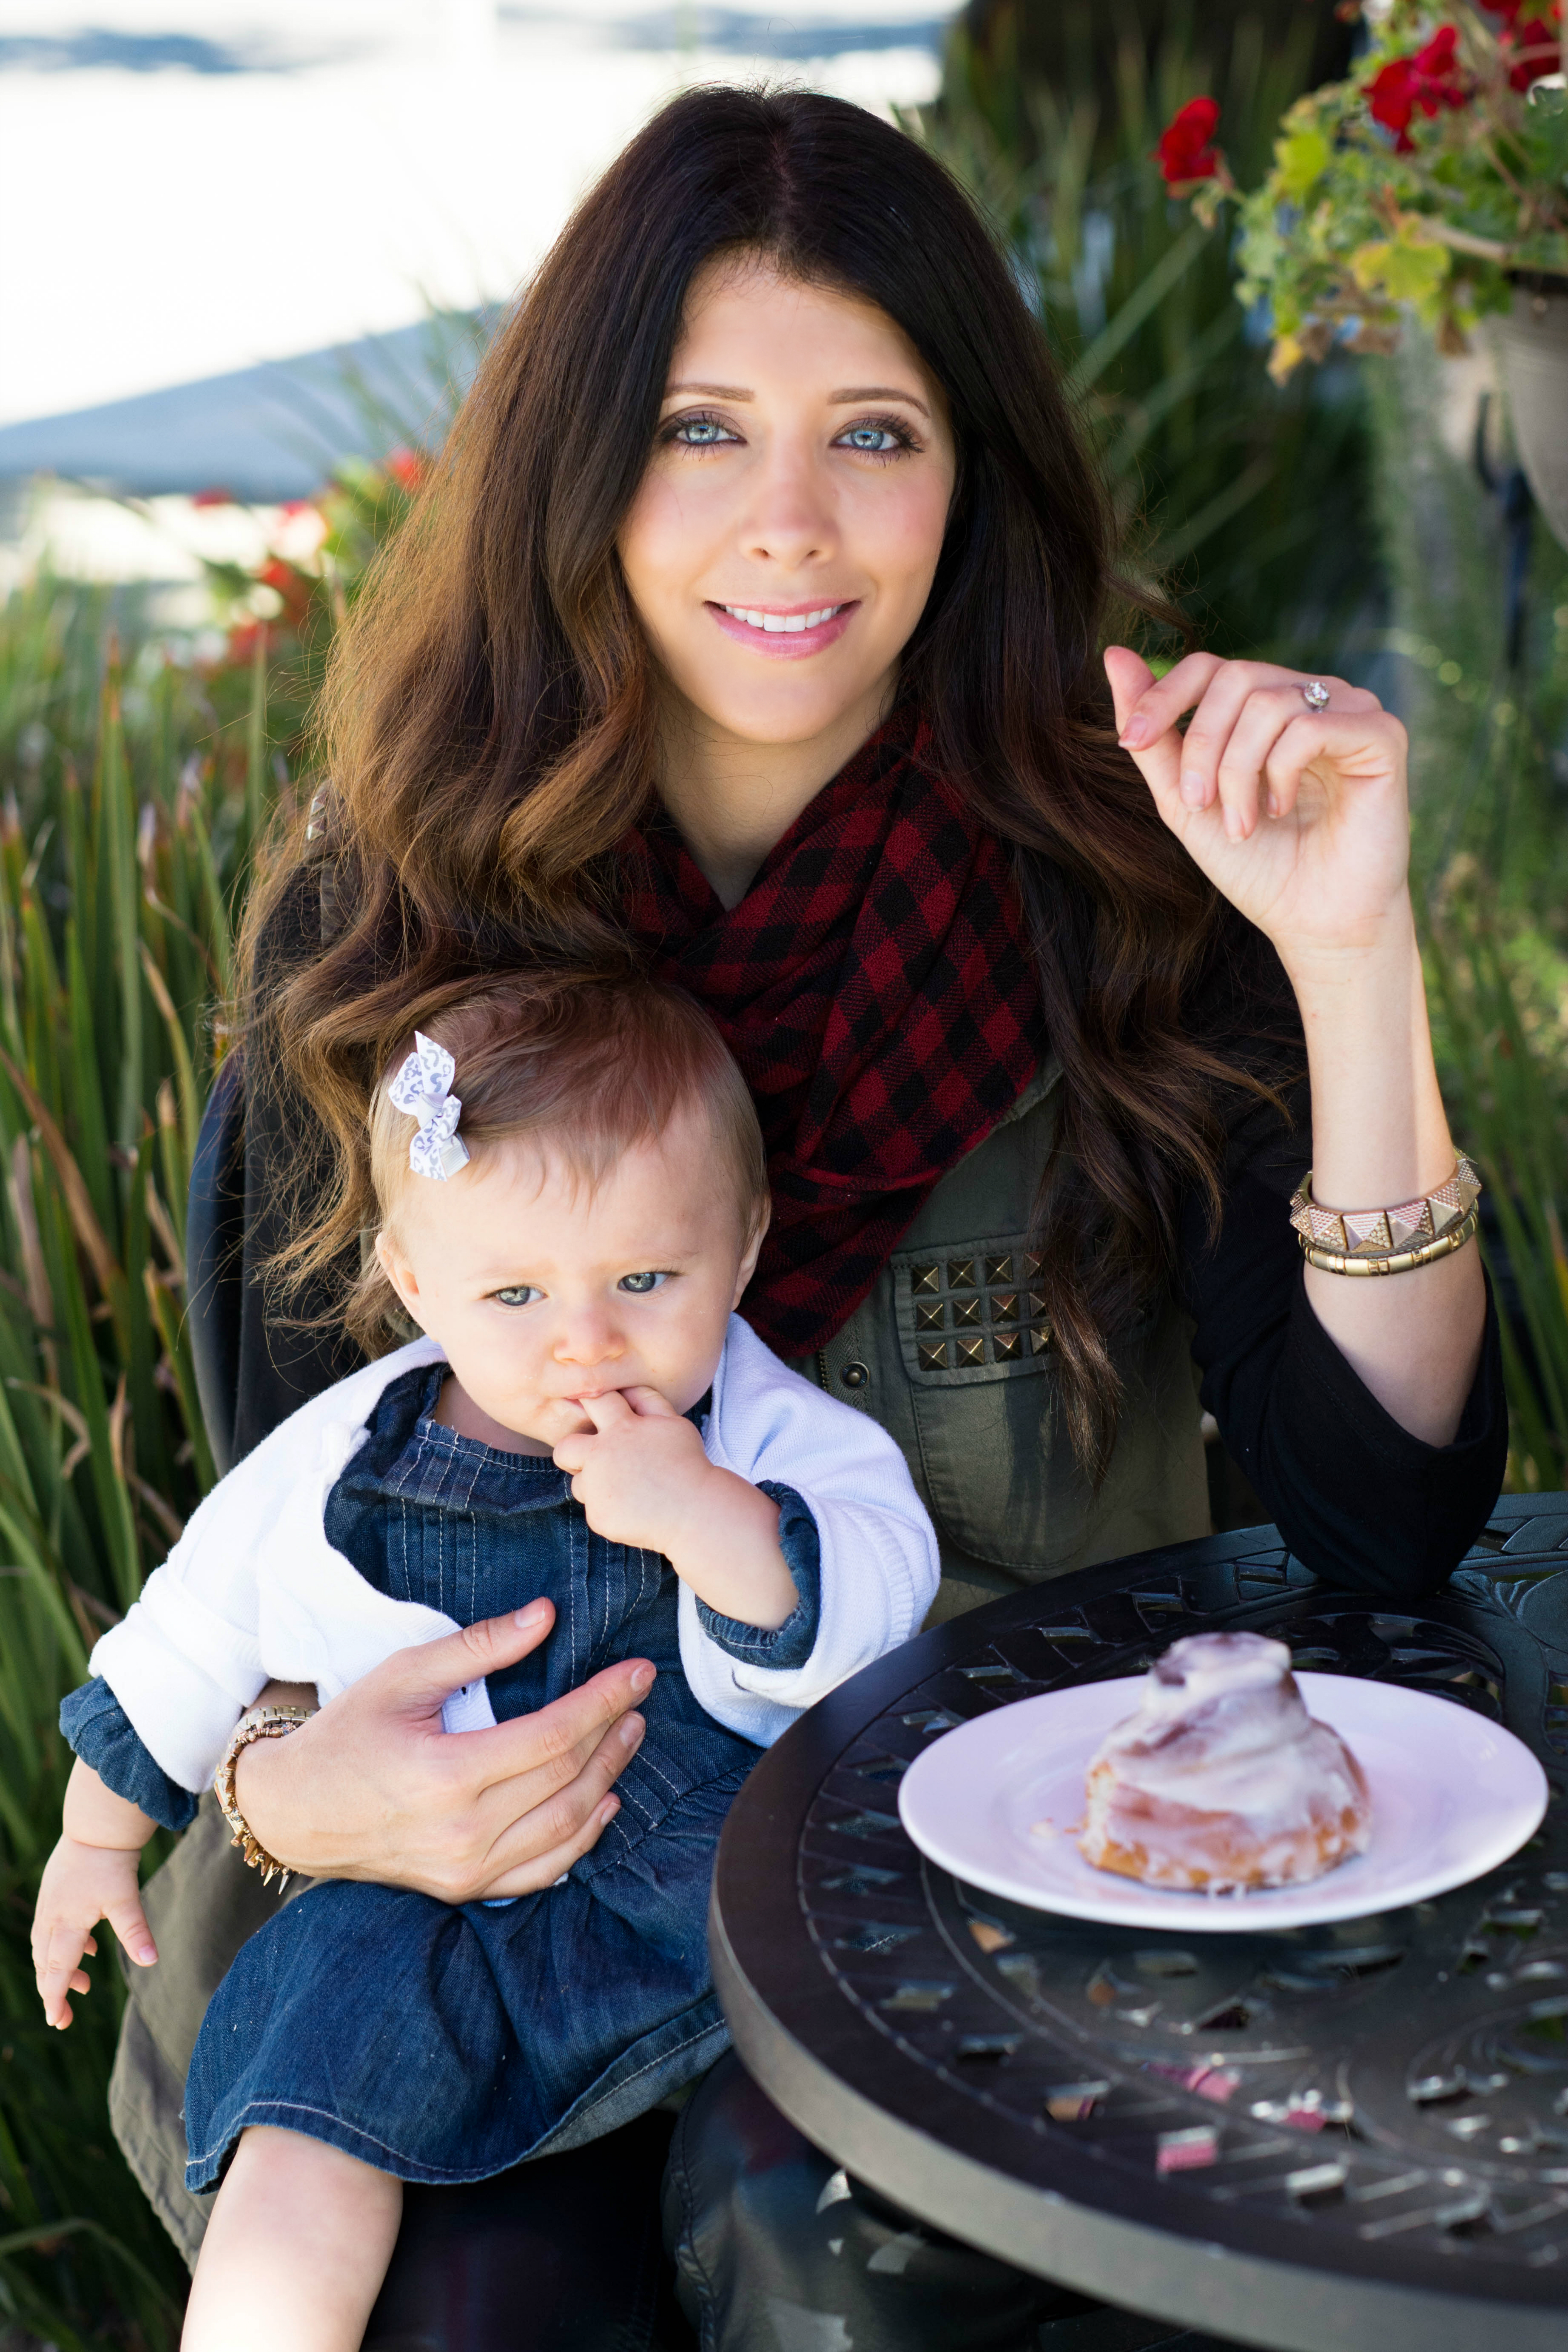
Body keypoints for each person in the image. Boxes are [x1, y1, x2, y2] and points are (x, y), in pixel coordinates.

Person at [106, 84, 1507, 2352]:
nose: (791, 522)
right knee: (462, 2291)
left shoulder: (1135, 892)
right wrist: (287, 1798)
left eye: (873, 431)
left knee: (863, 2259)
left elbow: (1380, 1525)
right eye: (695, 429)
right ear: (581, 468)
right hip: (498, 1902)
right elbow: (297, 1550)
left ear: (971, 477)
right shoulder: (392, 948)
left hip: (1000, 1905)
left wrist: (1345, 959)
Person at [34, 975, 938, 2351]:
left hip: (700, 1894)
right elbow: (196, 1621)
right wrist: (100, 1834)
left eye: (645, 1279)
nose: (586, 1339)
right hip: (416, 1909)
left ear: (743, 1249)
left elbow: (881, 1590)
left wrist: (715, 1519)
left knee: (823, 2157)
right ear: (416, 1282)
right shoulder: (344, 1458)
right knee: (304, 2123)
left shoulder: (765, 1433)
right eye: (514, 1292)